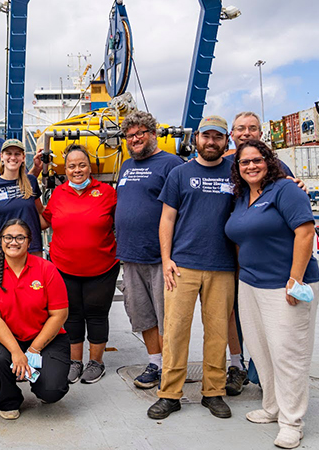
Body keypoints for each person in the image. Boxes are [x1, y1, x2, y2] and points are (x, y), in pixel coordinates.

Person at [225, 139, 319, 449]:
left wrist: (295, 279)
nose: (251, 166)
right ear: (237, 169)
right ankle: (272, 406)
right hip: (250, 284)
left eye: (257, 160)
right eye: (244, 162)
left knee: (288, 353)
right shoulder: (242, 198)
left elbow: (305, 232)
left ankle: (292, 422)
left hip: (284, 285)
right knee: (261, 349)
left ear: (268, 161)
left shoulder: (286, 190)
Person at [147, 115, 236, 420]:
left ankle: (214, 391)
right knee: (175, 331)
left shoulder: (236, 172)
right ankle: (170, 393)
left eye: (218, 137)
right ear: (196, 138)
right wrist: (167, 258)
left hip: (223, 265)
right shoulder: (180, 174)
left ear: (226, 141)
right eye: (207, 136)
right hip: (182, 265)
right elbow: (167, 219)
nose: (212, 142)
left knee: (217, 333)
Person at [223, 111, 304, 396]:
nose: (246, 133)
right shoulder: (223, 165)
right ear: (232, 134)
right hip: (234, 259)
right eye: (240, 128)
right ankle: (238, 367)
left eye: (252, 128)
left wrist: (296, 276)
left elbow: (299, 217)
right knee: (239, 317)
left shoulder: (278, 169)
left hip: (273, 267)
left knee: (275, 329)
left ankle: (265, 380)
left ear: (261, 133)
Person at [40, 145, 120, 385]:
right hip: (64, 267)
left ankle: (96, 363)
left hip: (102, 266)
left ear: (90, 167)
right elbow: (44, 221)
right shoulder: (58, 194)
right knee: (71, 315)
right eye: (72, 166)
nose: (77, 170)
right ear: (65, 169)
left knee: (96, 314)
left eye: (82, 164)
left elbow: (122, 221)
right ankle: (75, 362)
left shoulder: (106, 192)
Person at [116, 111, 184, 389]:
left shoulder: (172, 164)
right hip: (131, 256)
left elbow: (182, 209)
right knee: (142, 314)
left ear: (154, 134)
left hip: (161, 257)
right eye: (130, 136)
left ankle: (172, 365)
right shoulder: (126, 166)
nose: (135, 139)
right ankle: (155, 362)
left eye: (141, 133)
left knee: (168, 315)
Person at [0, 219, 70, 419]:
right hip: (8, 338)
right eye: (8, 237)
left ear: (29, 242)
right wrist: (16, 352)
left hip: (45, 339)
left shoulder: (46, 269)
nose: (14, 242)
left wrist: (33, 350)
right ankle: (9, 398)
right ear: (0, 241)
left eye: (20, 237)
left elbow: (60, 314)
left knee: (52, 391)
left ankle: (41, 383)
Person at [0, 139, 44, 256]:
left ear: (23, 157)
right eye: (9, 153)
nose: (13, 157)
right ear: (2, 156)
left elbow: (41, 214)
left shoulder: (31, 182)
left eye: (17, 154)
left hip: (31, 249)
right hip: (4, 250)